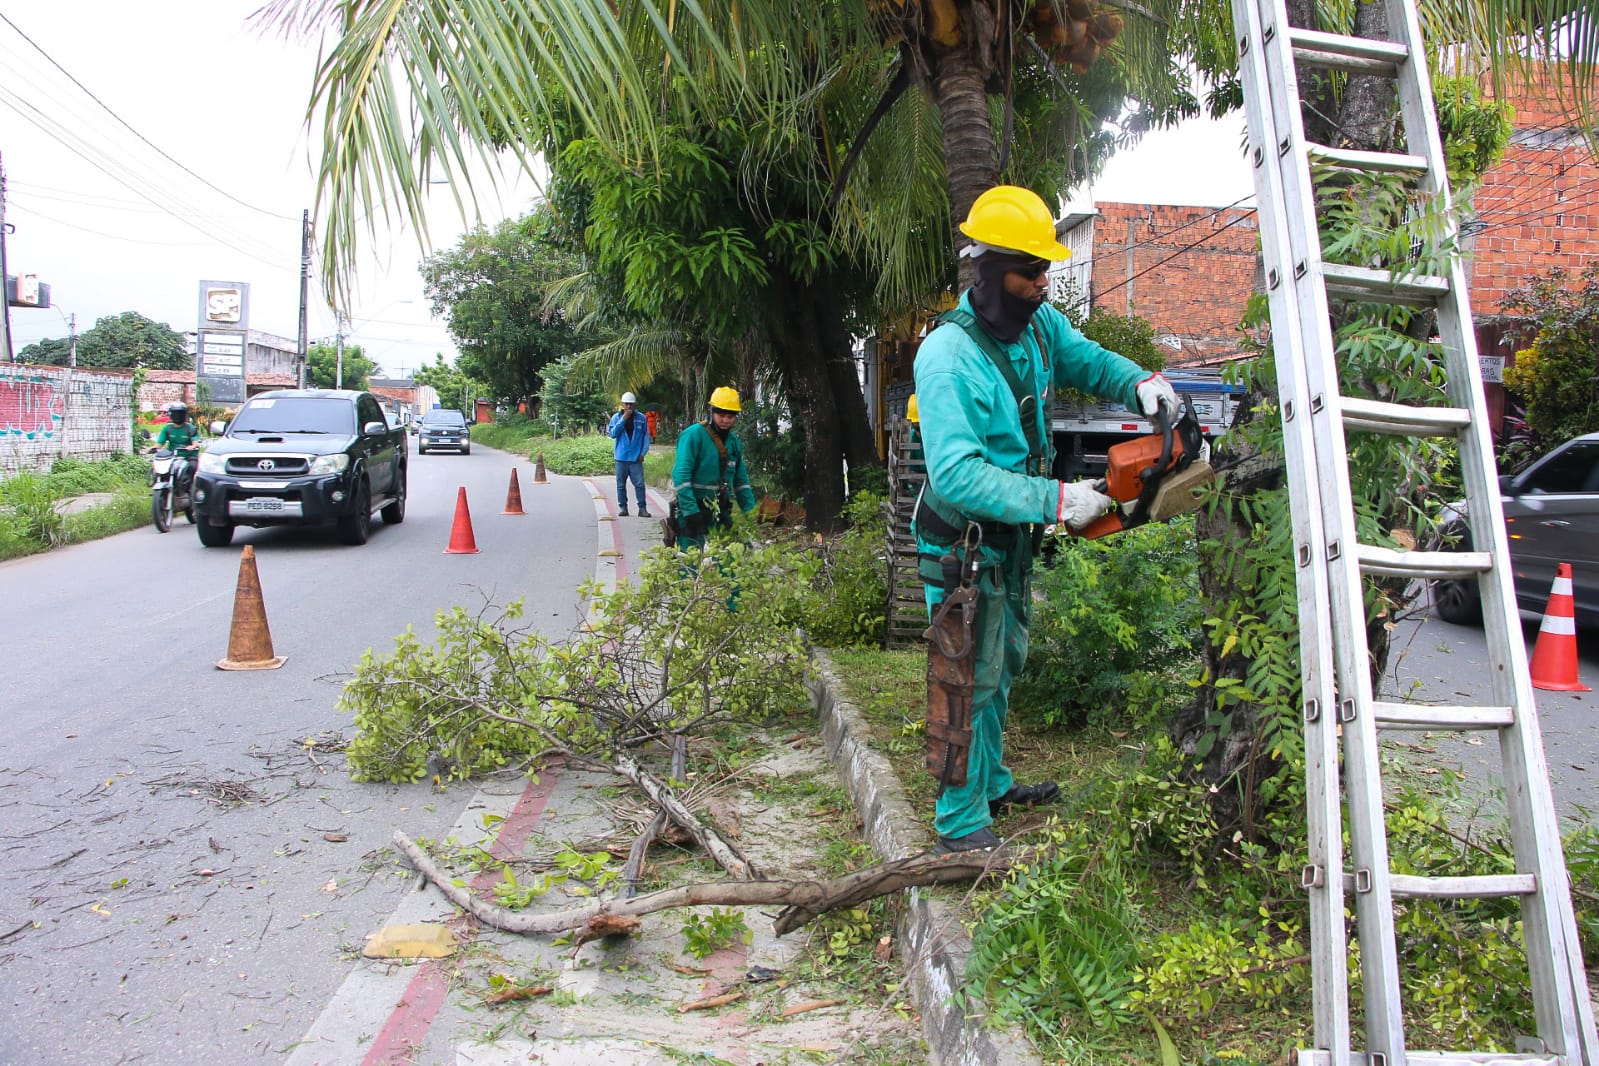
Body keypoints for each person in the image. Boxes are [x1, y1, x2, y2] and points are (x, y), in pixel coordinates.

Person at [914, 185, 1178, 854]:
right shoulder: (946, 359)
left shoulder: (1036, 326)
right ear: (986, 266)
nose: (1040, 282)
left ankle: (991, 784)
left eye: (1044, 270)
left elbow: (1085, 359)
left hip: (1011, 536)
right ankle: (958, 824)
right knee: (965, 676)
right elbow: (957, 476)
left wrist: (1138, 382)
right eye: (1028, 270)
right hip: (961, 541)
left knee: (999, 666)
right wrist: (1059, 500)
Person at [671, 386, 757, 551]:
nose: (726, 420)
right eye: (721, 415)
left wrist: (751, 513)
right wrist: (690, 512)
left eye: (730, 416)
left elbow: (741, 483)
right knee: (690, 561)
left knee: (730, 558)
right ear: (711, 412)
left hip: (720, 510)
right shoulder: (693, 435)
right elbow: (681, 476)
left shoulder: (734, 444)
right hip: (693, 507)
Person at [607, 391, 653, 517]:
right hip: (621, 458)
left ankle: (642, 508)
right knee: (621, 485)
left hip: (636, 458)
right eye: (627, 404)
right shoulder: (616, 418)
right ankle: (623, 507)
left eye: (631, 404)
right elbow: (612, 434)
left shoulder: (641, 418)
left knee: (639, 484)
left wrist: (643, 453)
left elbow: (646, 436)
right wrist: (623, 420)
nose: (629, 407)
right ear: (623, 404)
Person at [154, 402, 203, 493]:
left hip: (189, 456)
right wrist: (153, 449)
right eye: (175, 413)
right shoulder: (167, 428)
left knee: (192, 467)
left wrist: (191, 447)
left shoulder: (190, 428)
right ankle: (163, 488)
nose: (177, 416)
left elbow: (195, 443)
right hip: (173, 456)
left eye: (180, 413)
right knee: (161, 469)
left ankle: (190, 492)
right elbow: (159, 443)